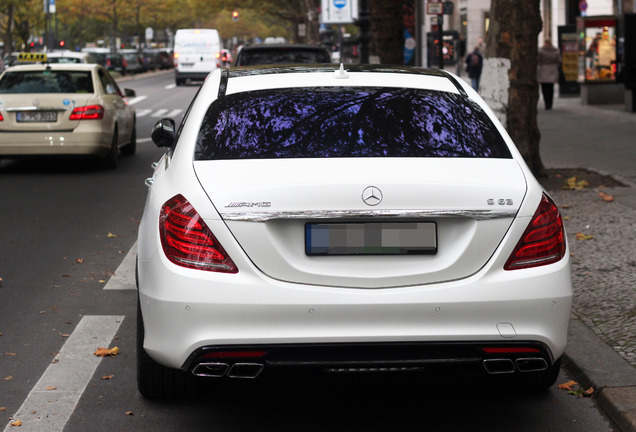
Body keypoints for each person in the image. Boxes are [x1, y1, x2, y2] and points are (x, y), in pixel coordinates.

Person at [537, 38, 562, 110]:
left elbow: (538, 59)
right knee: (551, 88)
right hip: (553, 70)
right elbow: (559, 60)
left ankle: (546, 103)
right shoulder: (555, 51)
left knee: (544, 88)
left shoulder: (541, 50)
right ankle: (550, 103)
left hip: (543, 70)